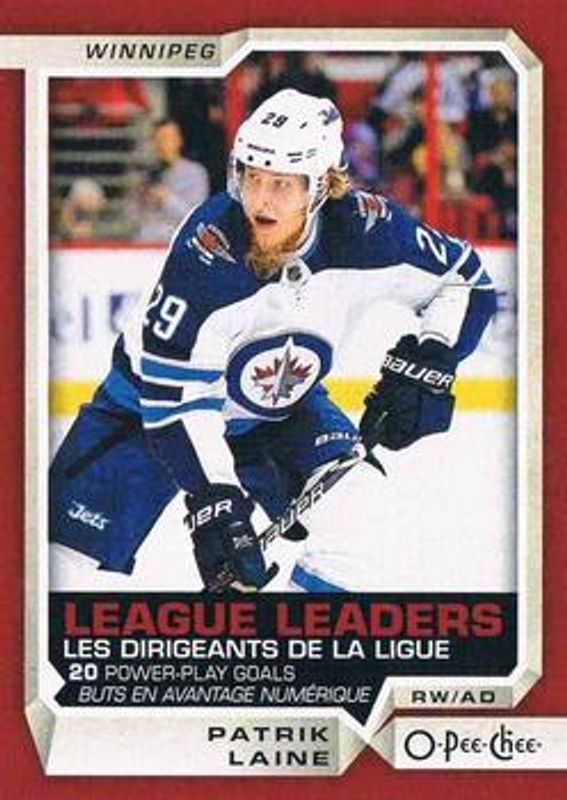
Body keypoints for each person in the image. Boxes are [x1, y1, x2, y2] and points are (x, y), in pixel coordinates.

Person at [49, 89, 496, 593]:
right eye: (251, 177)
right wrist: (216, 501)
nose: (260, 200)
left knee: (359, 519)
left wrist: (432, 359)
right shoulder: (209, 251)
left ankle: (304, 643)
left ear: (323, 185)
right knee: (56, 565)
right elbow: (175, 400)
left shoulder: (368, 231)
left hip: (279, 414)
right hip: (146, 411)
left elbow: (464, 280)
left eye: (282, 183)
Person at [128, 118, 209, 241]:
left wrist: (166, 198)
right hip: (146, 241)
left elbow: (196, 218)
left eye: (167, 138)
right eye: (158, 139)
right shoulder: (145, 173)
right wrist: (141, 199)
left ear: (179, 140)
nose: (163, 144)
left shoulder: (195, 173)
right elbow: (130, 215)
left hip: (178, 241)